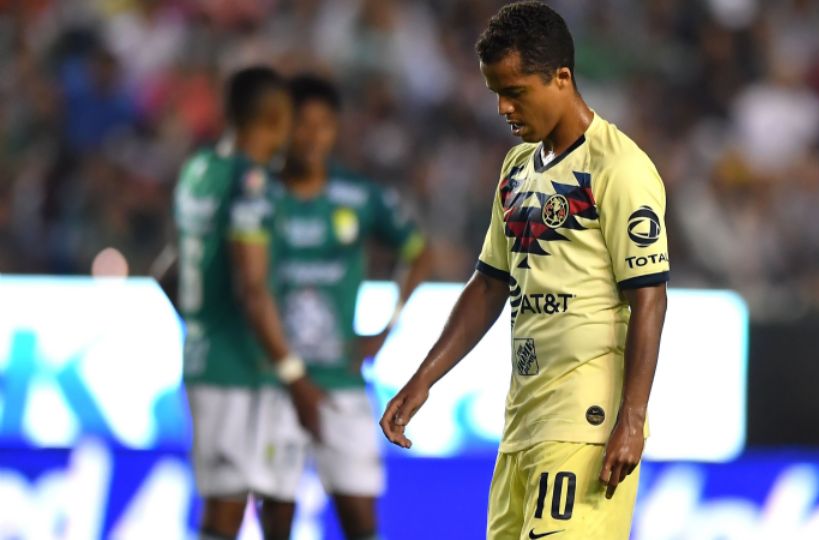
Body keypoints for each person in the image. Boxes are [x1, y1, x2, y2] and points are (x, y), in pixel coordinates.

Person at [379, 2, 670, 539]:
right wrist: (423, 379)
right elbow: (489, 284)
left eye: (515, 92)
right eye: (495, 93)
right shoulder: (517, 168)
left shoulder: (619, 168)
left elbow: (649, 296)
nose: (503, 108)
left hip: (586, 422)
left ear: (561, 78)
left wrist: (632, 418)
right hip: (521, 424)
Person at [257, 74, 431, 540]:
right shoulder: (257, 197)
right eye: (302, 124)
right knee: (275, 520)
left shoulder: (358, 195)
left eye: (324, 126)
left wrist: (386, 328)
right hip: (274, 385)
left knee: (360, 521)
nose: (313, 137)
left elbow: (418, 252)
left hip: (341, 382)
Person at [173, 66, 325, 540]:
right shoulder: (252, 183)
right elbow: (253, 289)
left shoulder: (199, 171)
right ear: (277, 118)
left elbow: (167, 270)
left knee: (233, 503)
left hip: (206, 358)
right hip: (239, 369)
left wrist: (205, 322)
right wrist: (294, 375)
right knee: (227, 511)